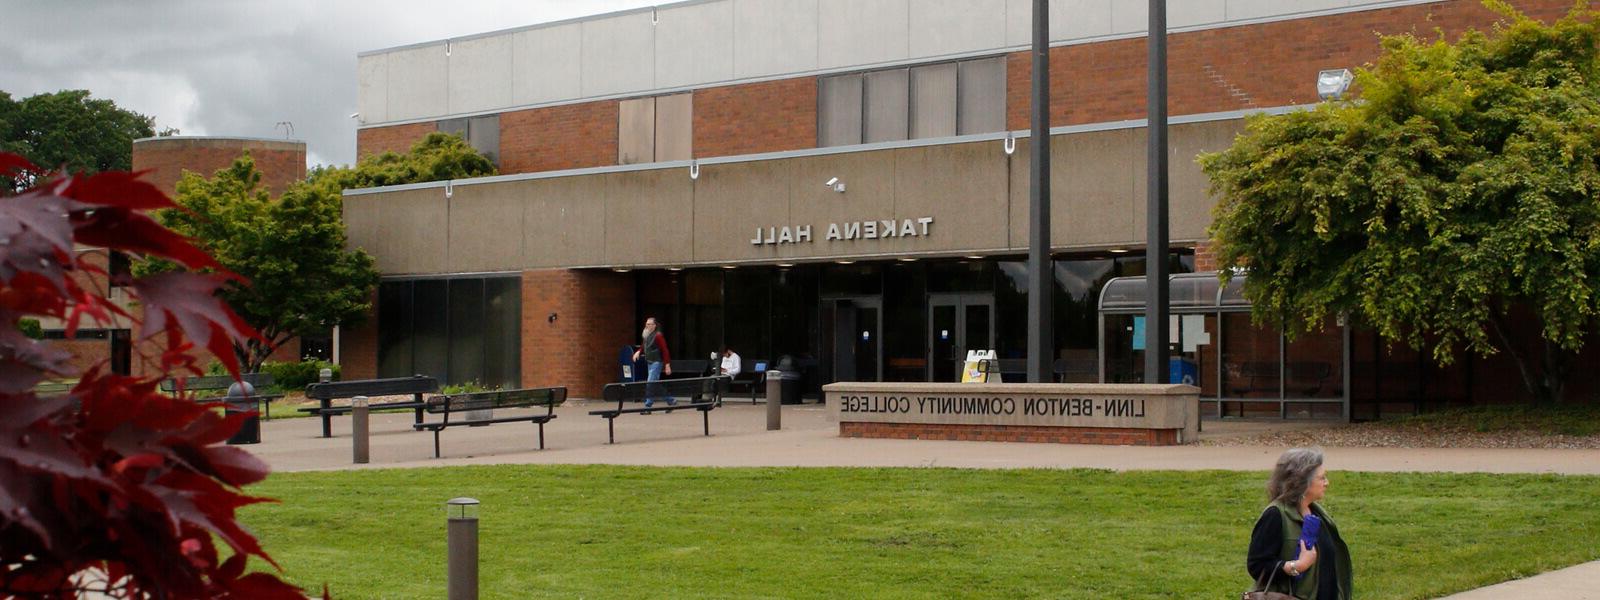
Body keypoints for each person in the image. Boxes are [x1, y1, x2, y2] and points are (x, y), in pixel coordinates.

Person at [1247, 447, 1352, 600]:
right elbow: (1257, 565)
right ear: (1302, 483)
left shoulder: (1317, 514)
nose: (1327, 483)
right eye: (1322, 478)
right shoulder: (1275, 515)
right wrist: (1297, 566)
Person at [632, 317, 672, 407]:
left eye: (650, 324)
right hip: (650, 362)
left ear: (654, 325)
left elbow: (665, 350)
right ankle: (671, 400)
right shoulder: (646, 335)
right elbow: (644, 346)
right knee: (655, 384)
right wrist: (638, 352)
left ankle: (648, 405)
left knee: (650, 383)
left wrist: (667, 364)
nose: (648, 326)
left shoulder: (658, 336)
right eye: (647, 324)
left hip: (656, 362)